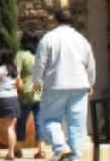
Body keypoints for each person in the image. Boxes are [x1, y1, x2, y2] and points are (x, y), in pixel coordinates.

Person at [34, 9, 94, 161]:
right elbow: (90, 63)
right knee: (77, 125)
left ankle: (60, 146)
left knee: (48, 120)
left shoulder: (48, 39)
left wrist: (36, 81)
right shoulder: (82, 39)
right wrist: (90, 82)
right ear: (71, 21)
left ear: (55, 20)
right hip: (79, 85)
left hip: (55, 85)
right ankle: (75, 158)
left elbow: (40, 63)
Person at [15, 32, 42, 159]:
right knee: (39, 121)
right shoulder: (37, 55)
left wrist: (18, 90)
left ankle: (18, 149)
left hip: (27, 89)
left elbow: (17, 74)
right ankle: (41, 149)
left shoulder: (21, 55)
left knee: (21, 120)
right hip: (39, 88)